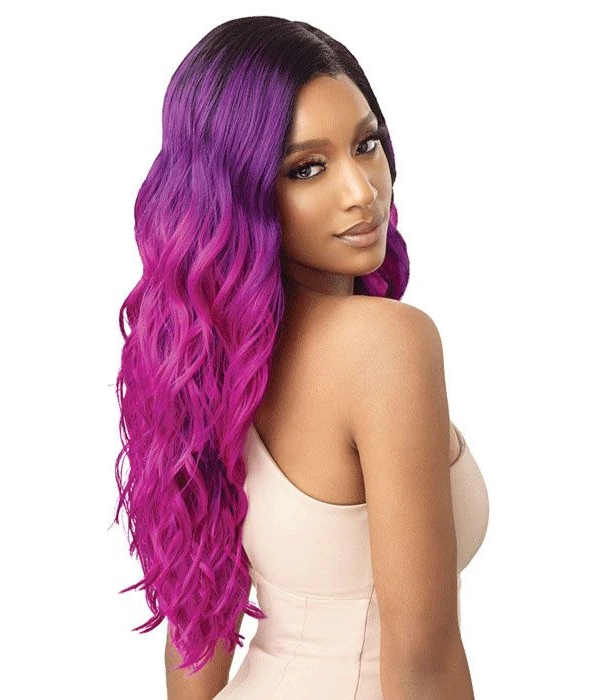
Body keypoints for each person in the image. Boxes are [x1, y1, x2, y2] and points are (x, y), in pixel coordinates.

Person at [113, 15, 489, 699]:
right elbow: (422, 658)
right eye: (307, 168)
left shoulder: (207, 363)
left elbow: (196, 633)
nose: (362, 191)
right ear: (240, 192)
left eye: (367, 144)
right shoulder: (388, 344)